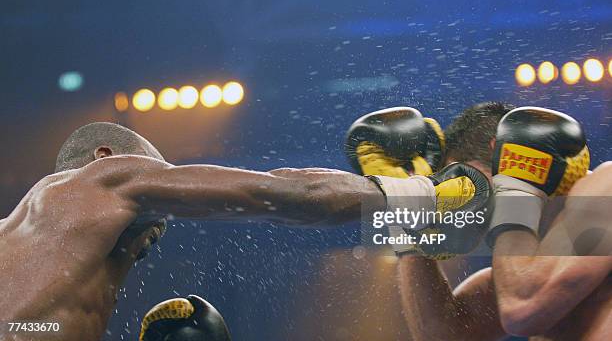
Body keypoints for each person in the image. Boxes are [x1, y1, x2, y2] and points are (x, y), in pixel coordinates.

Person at [0, 122, 488, 340]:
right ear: (107, 158)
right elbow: (279, 195)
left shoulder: (25, 257)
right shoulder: (104, 178)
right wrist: (420, 194)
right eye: (159, 172)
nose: (164, 220)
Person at [352, 103, 611, 340]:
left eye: (467, 188)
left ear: (505, 158)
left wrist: (515, 194)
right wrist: (409, 220)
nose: (460, 210)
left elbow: (523, 309)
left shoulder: (606, 187)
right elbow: (446, 335)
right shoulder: (525, 270)